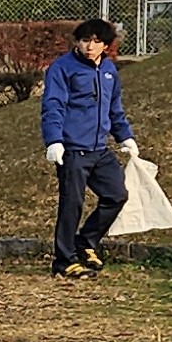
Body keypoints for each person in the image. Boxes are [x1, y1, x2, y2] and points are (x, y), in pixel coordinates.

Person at [41, 18, 139, 280]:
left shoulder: (108, 70)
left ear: (106, 45)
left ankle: (86, 241)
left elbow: (114, 108)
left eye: (97, 42)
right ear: (77, 41)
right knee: (71, 204)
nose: (90, 47)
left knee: (116, 195)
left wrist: (125, 137)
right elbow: (53, 105)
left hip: (100, 149)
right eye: (86, 41)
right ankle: (64, 261)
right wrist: (54, 140)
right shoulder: (62, 69)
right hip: (72, 149)